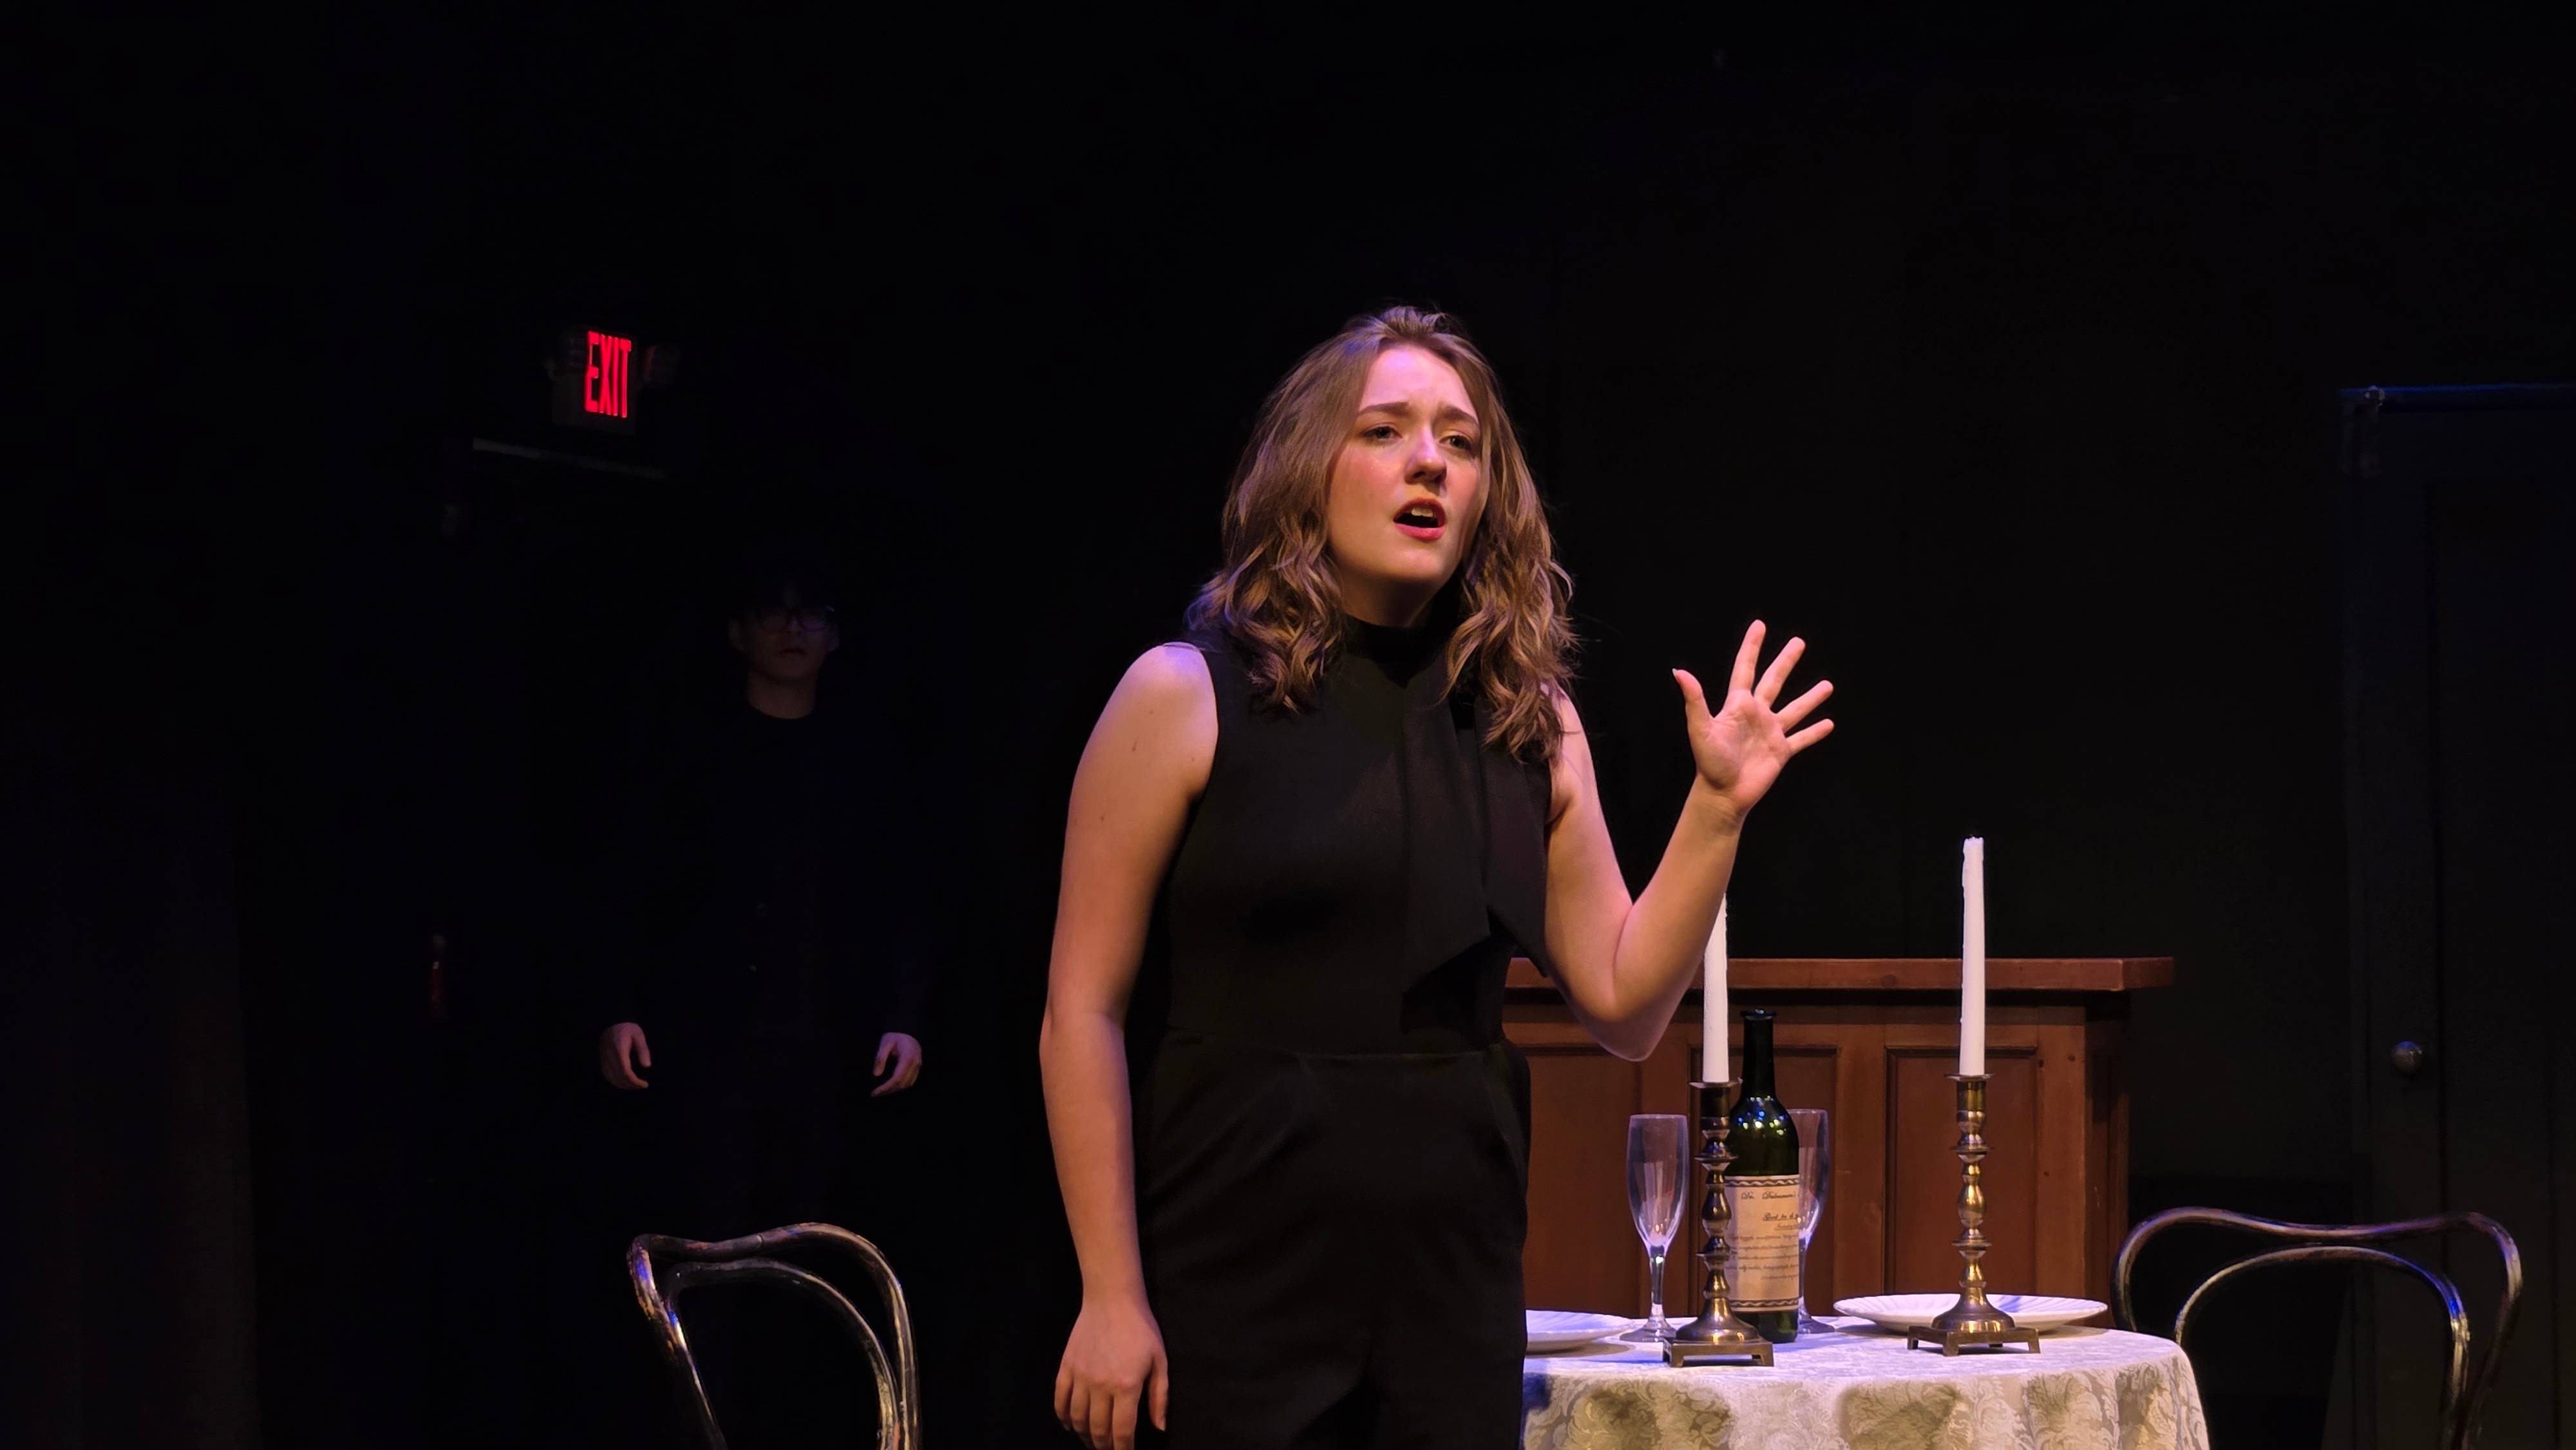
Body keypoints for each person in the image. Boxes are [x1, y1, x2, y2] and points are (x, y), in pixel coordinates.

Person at [1040, 306, 1835, 1449]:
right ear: (1308, 471)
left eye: (1461, 444)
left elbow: (1623, 1004)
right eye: (1387, 432)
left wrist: (1715, 812)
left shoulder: (1527, 723)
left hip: (1449, 1281)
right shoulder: (1187, 695)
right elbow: (1082, 1011)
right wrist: (1110, 1295)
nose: (1430, 464)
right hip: (1235, 1268)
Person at [590, 545, 934, 1445]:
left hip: (828, 1053)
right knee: (708, 1249)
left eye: (811, 614)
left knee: (813, 1253)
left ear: (835, 636)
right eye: (775, 613)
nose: (793, 629)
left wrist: (905, 1015)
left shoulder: (863, 759)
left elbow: (902, 895)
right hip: (707, 1051)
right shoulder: (692, 753)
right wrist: (622, 1004)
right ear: (738, 633)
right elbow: (640, 886)